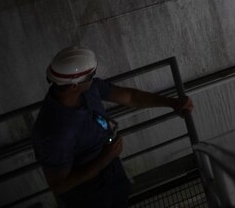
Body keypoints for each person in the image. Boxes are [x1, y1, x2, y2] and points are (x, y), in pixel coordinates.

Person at [31, 46, 194, 208]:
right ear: (74, 85)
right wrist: (105, 158)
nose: (94, 77)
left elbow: (131, 97)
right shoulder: (55, 132)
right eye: (91, 75)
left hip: (111, 175)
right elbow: (59, 185)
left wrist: (171, 103)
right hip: (89, 197)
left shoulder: (88, 90)